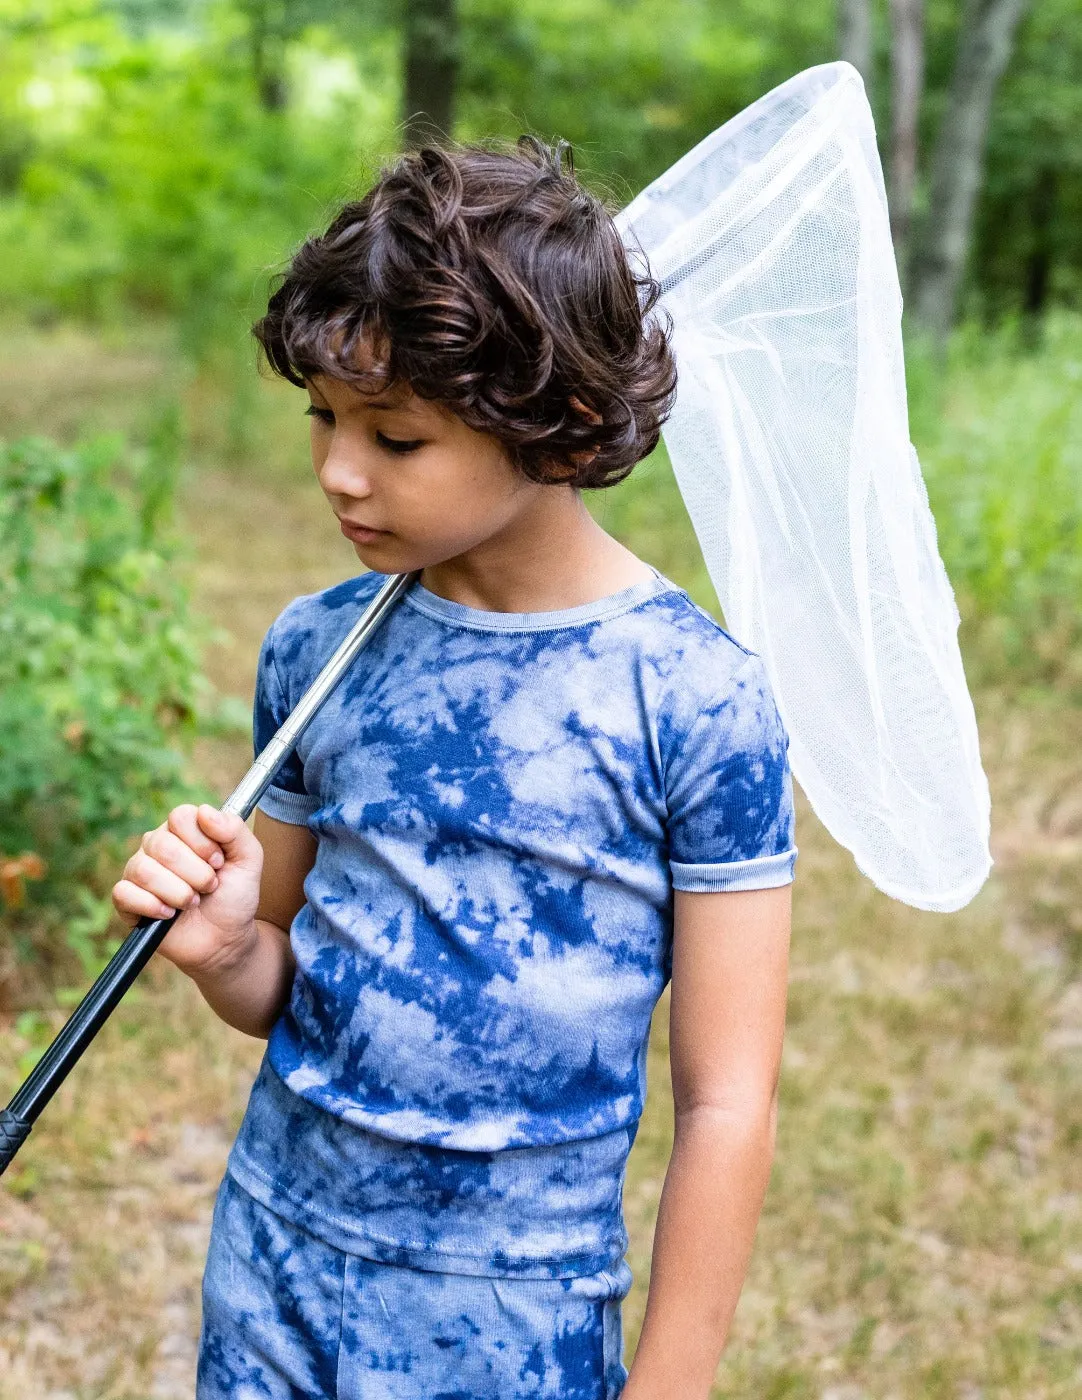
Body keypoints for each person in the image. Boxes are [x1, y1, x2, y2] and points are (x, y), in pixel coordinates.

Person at [111, 136, 797, 1400]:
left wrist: (669, 1383)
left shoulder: (691, 699)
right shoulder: (317, 648)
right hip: (275, 1268)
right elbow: (288, 987)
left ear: (566, 422)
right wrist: (222, 951)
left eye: (397, 436)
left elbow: (724, 1099)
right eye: (324, 415)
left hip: (510, 1317)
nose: (337, 470)